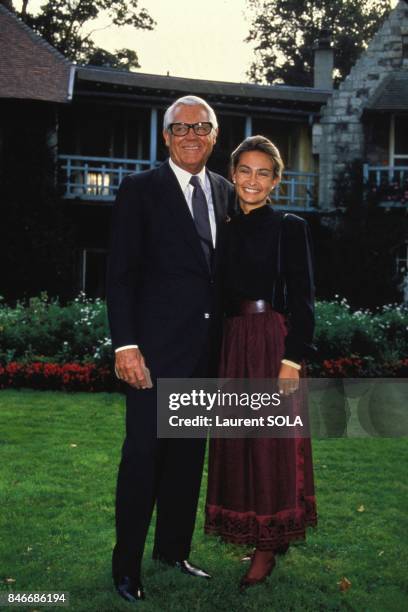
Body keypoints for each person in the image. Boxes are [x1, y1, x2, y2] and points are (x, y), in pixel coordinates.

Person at [107, 95, 235, 603]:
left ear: (213, 136)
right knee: (143, 459)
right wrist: (127, 346)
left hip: (207, 355)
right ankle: (126, 567)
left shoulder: (225, 192)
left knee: (186, 460)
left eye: (200, 127)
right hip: (153, 357)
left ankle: (172, 552)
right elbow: (119, 276)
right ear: (165, 137)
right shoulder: (140, 190)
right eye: (180, 128)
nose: (190, 135)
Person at [205, 135, 317, 591]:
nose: (253, 181)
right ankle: (255, 531)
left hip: (271, 342)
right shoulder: (221, 227)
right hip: (232, 344)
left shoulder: (289, 226)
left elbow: (304, 298)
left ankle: (268, 546)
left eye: (263, 173)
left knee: (270, 443)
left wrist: (292, 359)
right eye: (245, 171)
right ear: (232, 175)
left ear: (276, 180)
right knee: (239, 442)